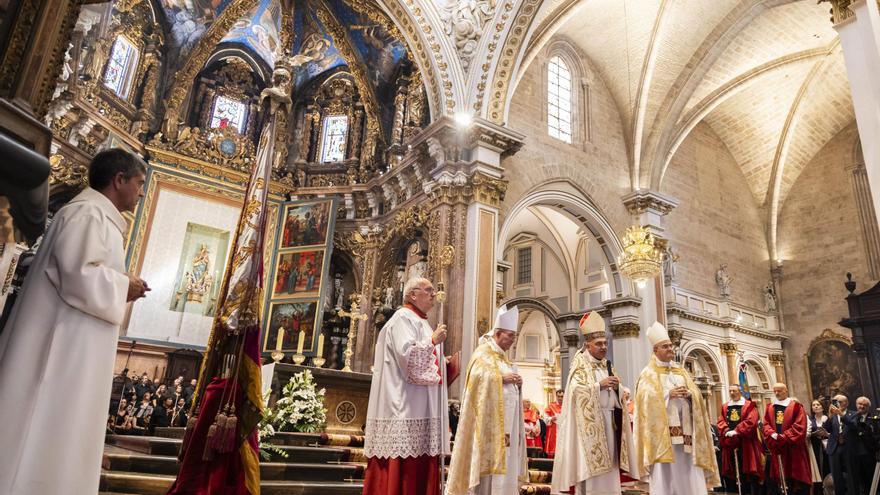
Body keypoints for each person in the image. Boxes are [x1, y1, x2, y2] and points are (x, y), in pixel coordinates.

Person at [0, 148, 149, 494]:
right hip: (60, 349)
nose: (141, 192)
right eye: (139, 183)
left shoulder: (97, 216)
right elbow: (76, 272)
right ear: (119, 180)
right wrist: (124, 284)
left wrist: (121, 283)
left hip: (73, 343)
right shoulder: (87, 215)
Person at [362, 277, 450, 495]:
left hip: (418, 406)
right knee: (405, 470)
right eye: (428, 290)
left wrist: (444, 362)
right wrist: (433, 342)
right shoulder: (403, 318)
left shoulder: (420, 321)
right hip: (404, 407)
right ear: (412, 294)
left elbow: (422, 361)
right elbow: (408, 358)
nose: (433, 295)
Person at [551, 310, 638, 495]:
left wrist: (620, 390)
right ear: (588, 345)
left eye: (605, 343)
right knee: (593, 474)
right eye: (599, 344)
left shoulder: (608, 365)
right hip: (590, 428)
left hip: (610, 424)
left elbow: (617, 395)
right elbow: (576, 392)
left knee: (611, 470)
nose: (604, 347)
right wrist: (599, 385)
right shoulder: (580, 364)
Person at [447, 305, 528, 495]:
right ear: (498, 333)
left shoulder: (502, 359)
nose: (512, 342)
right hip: (488, 429)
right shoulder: (482, 353)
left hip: (508, 427)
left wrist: (518, 383)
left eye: (514, 337)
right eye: (510, 336)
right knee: (488, 480)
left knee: (506, 470)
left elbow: (507, 384)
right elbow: (477, 379)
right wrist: (501, 378)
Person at [633, 322, 720, 494]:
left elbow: (697, 396)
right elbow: (643, 401)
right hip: (663, 438)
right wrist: (667, 395)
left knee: (688, 471)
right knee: (665, 474)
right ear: (655, 350)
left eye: (671, 345)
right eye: (665, 346)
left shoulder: (681, 371)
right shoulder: (648, 374)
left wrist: (689, 395)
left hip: (687, 434)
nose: (670, 349)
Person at [763, 383, 811, 494]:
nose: (776, 393)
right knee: (781, 478)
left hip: (793, 448)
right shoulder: (770, 407)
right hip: (778, 448)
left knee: (797, 478)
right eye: (774, 391)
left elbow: (799, 426)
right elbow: (766, 424)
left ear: (786, 391)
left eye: (779, 391)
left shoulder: (796, 406)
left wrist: (784, 437)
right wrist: (772, 434)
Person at [717, 385, 763, 495]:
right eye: (730, 391)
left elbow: (751, 421)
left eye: (734, 390)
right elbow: (721, 420)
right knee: (733, 473)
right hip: (730, 443)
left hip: (746, 443)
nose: (732, 393)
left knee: (749, 473)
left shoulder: (749, 406)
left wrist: (737, 430)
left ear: (740, 391)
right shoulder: (725, 406)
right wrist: (726, 430)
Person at [806, 399, 829, 487]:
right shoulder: (810, 420)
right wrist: (814, 434)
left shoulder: (828, 418)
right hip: (816, 446)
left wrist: (826, 434)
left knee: (828, 465)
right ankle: (821, 487)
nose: (815, 406)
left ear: (822, 407)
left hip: (828, 445)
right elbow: (808, 433)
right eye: (813, 405)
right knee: (819, 466)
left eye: (818, 404)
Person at [544, 389, 563, 458]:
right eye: (558, 396)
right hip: (553, 430)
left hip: (564, 430)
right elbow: (545, 418)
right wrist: (551, 419)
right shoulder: (551, 406)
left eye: (562, 396)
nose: (560, 398)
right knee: (553, 451)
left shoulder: (567, 406)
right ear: (556, 396)